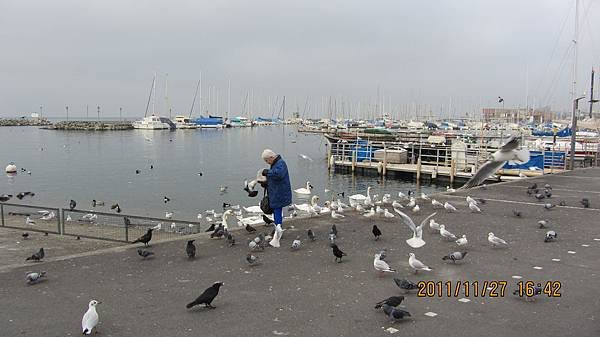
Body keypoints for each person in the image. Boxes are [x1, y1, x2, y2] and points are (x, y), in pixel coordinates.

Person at [260, 149, 292, 247]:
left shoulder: (280, 163)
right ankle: (278, 229)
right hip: (278, 192)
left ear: (271, 157)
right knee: (276, 210)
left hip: (279, 193)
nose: (267, 163)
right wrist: (266, 183)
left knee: (277, 210)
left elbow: (278, 174)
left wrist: (267, 172)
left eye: (266, 160)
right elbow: (276, 177)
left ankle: (278, 232)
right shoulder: (277, 163)